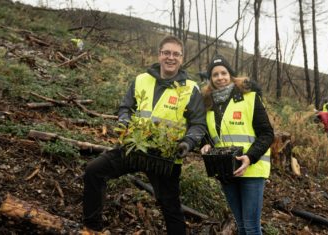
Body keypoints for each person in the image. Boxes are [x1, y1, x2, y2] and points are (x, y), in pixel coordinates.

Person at [82, 35, 207, 234]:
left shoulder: (190, 89)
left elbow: (199, 124)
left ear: (182, 58)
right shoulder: (141, 79)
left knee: (170, 206)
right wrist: (124, 124)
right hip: (135, 146)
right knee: (94, 170)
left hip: (165, 155)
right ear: (159, 55)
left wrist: (187, 143)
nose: (170, 58)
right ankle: (91, 228)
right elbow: (125, 108)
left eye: (176, 54)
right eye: (166, 52)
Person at [200, 54, 274, 235]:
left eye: (223, 73)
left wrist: (250, 157)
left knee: (251, 227)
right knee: (241, 226)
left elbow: (267, 134)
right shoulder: (208, 104)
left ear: (231, 75)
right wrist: (204, 144)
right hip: (226, 170)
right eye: (215, 74)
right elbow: (207, 134)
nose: (220, 78)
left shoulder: (249, 98)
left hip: (251, 169)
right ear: (210, 79)